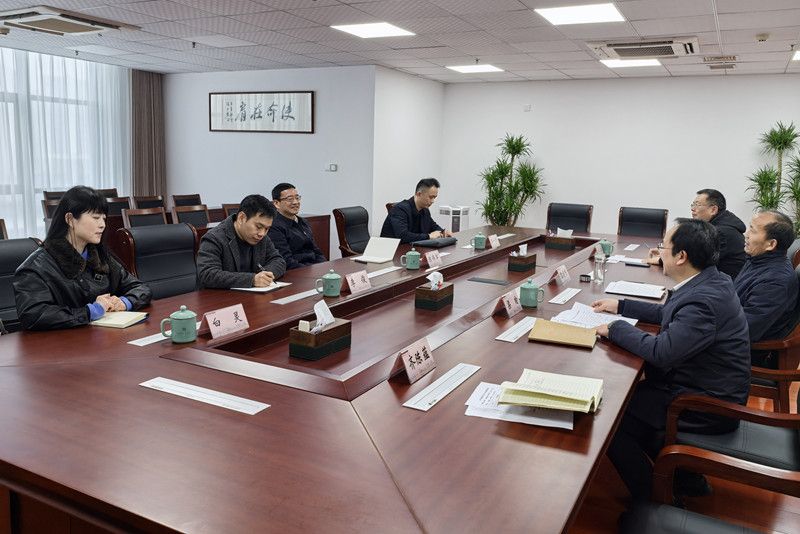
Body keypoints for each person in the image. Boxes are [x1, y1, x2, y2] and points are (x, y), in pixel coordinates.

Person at [593, 218, 751, 501]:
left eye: (663, 246)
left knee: (609, 416)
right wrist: (622, 305)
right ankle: (686, 479)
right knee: (626, 399)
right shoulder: (711, 280)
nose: (659, 252)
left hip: (703, 406)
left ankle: (654, 500)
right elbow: (672, 313)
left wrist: (617, 328)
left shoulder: (703, 301)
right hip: (704, 387)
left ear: (681, 256)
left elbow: (662, 352)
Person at [13, 186, 151, 330]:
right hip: (61, 342)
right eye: (96, 218)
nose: (102, 225)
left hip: (101, 337)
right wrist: (91, 311)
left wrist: (125, 302)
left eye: (104, 219)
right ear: (70, 219)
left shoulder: (100, 256)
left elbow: (141, 288)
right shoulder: (35, 267)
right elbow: (34, 315)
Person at [735, 210, 798, 367]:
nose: (746, 235)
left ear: (771, 244)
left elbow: (745, 329)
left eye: (753, 230)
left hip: (740, 355)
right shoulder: (757, 260)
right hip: (727, 330)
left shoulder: (775, 282)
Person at [646, 189, 746, 278]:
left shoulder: (721, 233)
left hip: (722, 286)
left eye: (697, 205)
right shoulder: (717, 226)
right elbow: (694, 250)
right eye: (693, 205)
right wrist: (668, 252)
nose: (693, 209)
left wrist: (662, 260)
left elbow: (698, 261)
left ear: (713, 209)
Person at [197, 194, 286, 289]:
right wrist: (252, 279)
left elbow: (278, 260)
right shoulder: (214, 238)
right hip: (222, 296)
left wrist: (265, 276)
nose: (262, 233)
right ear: (241, 218)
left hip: (253, 295)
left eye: (267, 229)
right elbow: (207, 274)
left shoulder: (261, 237)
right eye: (258, 227)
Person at [267, 183, 326, 270]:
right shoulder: (274, 226)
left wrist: (324, 266)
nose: (295, 202)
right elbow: (285, 260)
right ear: (276, 203)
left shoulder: (303, 222)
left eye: (297, 198)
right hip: (296, 271)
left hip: (312, 268)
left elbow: (316, 251)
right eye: (290, 199)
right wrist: (310, 271)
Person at [380, 178, 453, 244]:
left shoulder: (425, 210)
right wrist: (429, 236)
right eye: (431, 197)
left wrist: (443, 232)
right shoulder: (400, 209)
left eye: (435, 197)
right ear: (419, 194)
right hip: (393, 250)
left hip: (412, 249)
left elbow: (433, 226)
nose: (433, 201)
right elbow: (403, 235)